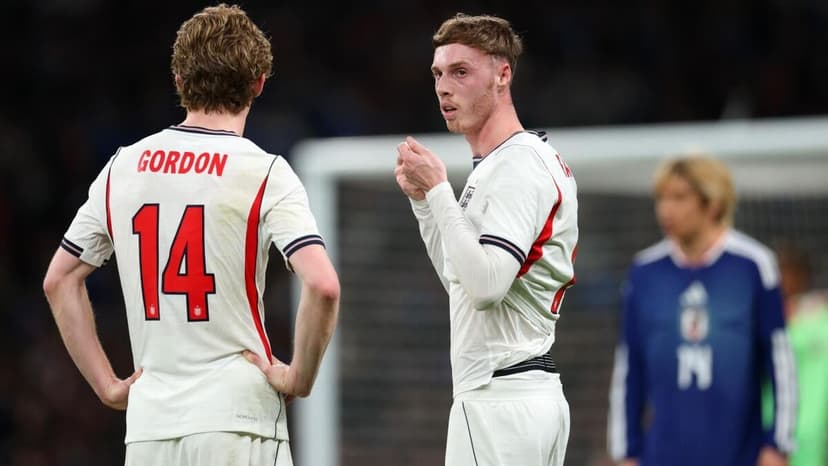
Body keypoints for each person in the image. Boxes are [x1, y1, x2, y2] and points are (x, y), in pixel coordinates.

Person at [42, 4, 339, 465]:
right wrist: (299, 377)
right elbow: (322, 285)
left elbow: (58, 280)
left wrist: (107, 385)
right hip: (238, 421)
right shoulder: (264, 172)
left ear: (178, 80)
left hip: (150, 429)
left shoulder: (123, 167)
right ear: (259, 83)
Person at [395, 13, 578, 466]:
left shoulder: (517, 164)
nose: (443, 87)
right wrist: (426, 203)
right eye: (438, 74)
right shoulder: (503, 163)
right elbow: (462, 280)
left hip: (500, 400)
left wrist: (440, 189)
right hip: (518, 396)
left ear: (502, 75)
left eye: (460, 72)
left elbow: (484, 287)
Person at [607, 155, 797, 466]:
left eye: (679, 197)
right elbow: (629, 367)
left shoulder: (753, 266)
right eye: (662, 198)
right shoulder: (644, 272)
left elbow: (779, 360)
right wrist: (627, 451)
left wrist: (778, 443)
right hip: (662, 456)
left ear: (713, 204)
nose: (666, 209)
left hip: (741, 455)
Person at [775, 243, 828, 466]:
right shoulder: (764, 319)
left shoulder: (820, 316)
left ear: (802, 275)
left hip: (813, 436)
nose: (781, 280)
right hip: (773, 432)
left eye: (786, 272)